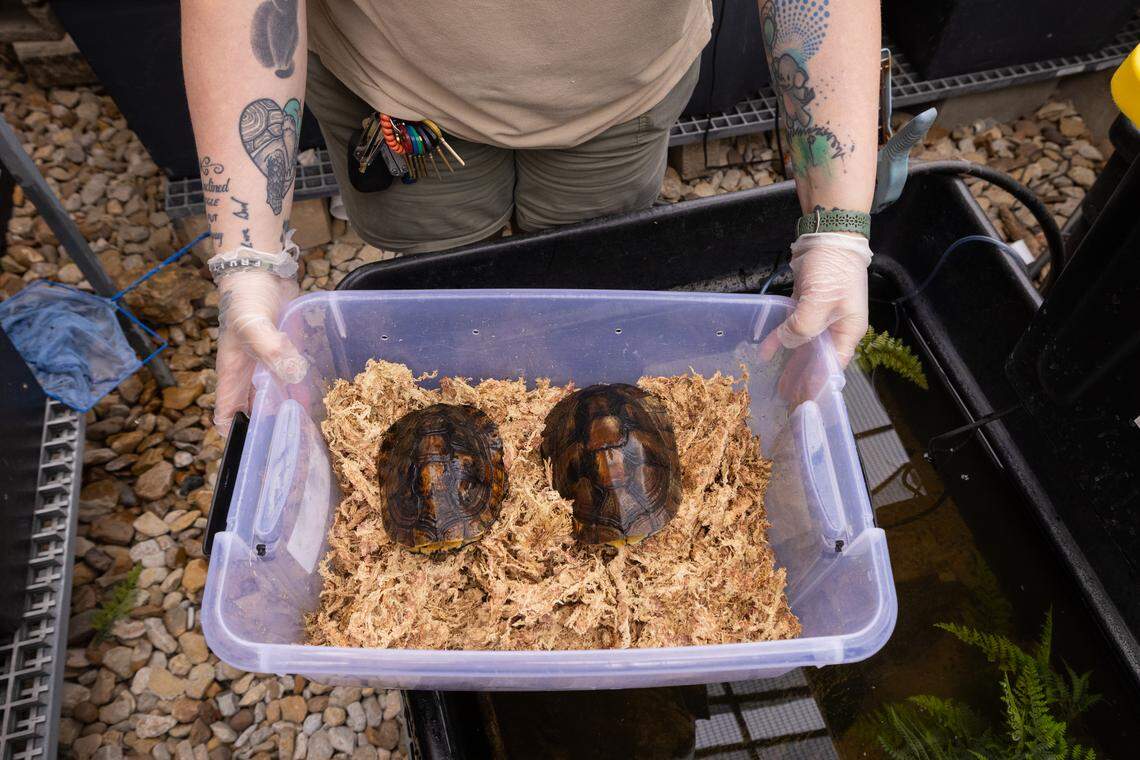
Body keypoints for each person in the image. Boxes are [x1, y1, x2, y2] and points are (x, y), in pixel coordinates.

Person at [182, 0, 880, 433]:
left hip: (625, 96)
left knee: (589, 272)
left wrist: (839, 229)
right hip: (400, 105)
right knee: (444, 281)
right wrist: (249, 258)